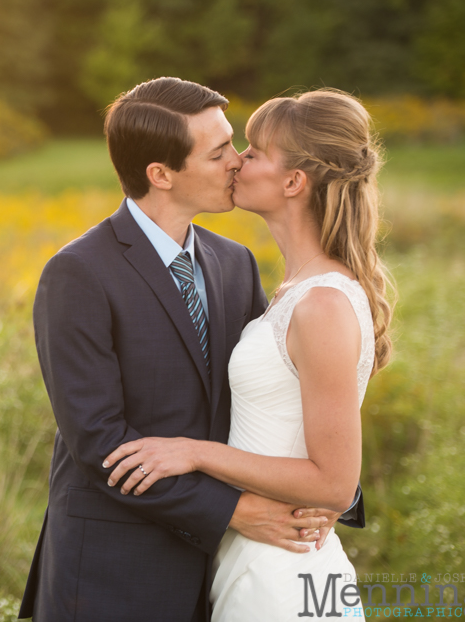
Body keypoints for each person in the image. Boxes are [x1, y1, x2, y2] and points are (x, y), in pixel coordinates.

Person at [18, 78, 364, 622]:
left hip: (223, 567)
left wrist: (320, 494)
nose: (236, 162)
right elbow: (99, 441)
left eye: (235, 143)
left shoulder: (234, 263)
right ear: (161, 174)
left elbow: (269, 398)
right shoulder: (79, 272)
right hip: (114, 571)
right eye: (219, 151)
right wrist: (236, 511)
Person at [102, 89, 392, 620]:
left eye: (254, 150)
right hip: (251, 555)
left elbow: (334, 483)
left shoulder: (322, 303)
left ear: (293, 182)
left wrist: (193, 452)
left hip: (282, 573)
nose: (237, 160)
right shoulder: (289, 288)